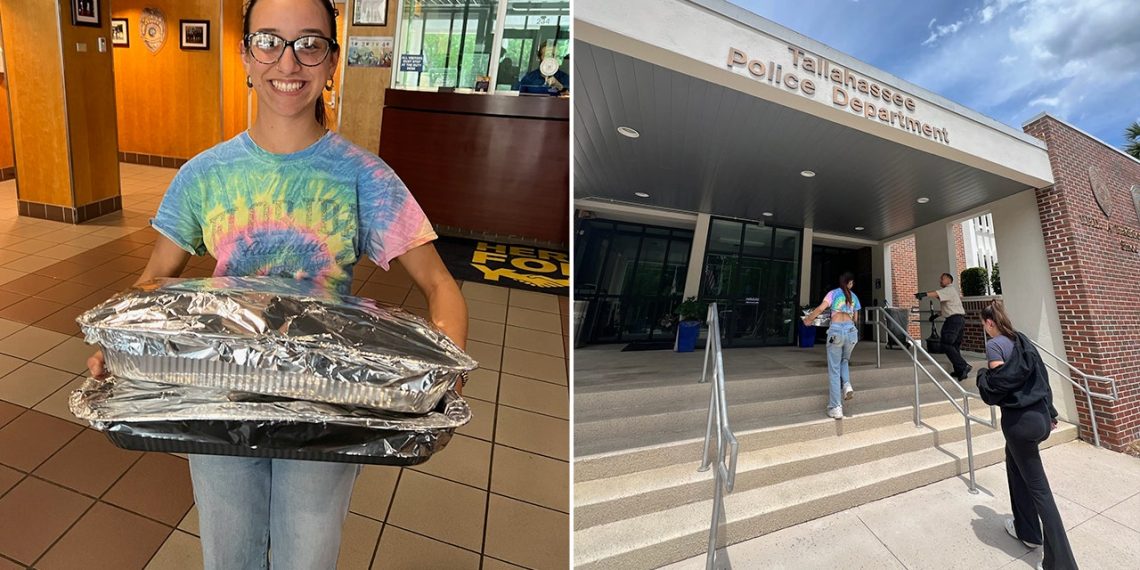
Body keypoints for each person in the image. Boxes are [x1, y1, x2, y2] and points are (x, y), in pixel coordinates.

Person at [85, 0, 468, 567]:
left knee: (305, 557)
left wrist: (446, 372)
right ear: (245, 55)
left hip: (326, 402)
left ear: (331, 61)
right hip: (218, 394)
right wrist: (116, 343)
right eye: (269, 41)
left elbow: (439, 285)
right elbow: (155, 280)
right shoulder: (204, 174)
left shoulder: (363, 175)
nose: (288, 62)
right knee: (230, 555)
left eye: (309, 44)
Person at [976, 301, 1077, 570]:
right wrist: (1051, 412)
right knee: (1014, 466)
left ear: (989, 323)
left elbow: (999, 385)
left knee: (1040, 490)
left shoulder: (995, 345)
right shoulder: (1023, 341)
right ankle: (1028, 531)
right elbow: (1042, 378)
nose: (984, 329)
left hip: (1020, 423)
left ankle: (1061, 563)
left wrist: (982, 377)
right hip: (1041, 419)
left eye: (983, 325)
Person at [802, 272, 861, 419]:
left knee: (834, 369)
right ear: (849, 283)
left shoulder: (833, 294)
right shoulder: (854, 297)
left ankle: (836, 407)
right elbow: (856, 318)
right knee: (844, 361)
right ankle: (846, 384)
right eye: (852, 283)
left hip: (836, 332)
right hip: (851, 332)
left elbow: (820, 309)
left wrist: (809, 319)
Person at [916, 272, 970, 380]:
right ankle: (960, 371)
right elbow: (947, 307)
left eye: (942, 279)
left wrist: (924, 294)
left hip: (953, 320)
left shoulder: (949, 289)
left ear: (949, 280)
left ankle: (963, 366)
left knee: (946, 344)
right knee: (954, 345)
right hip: (959, 320)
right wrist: (935, 316)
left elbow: (936, 293)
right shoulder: (950, 292)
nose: (940, 281)